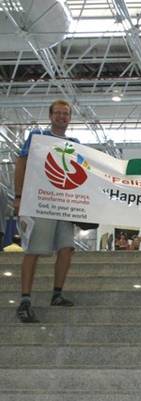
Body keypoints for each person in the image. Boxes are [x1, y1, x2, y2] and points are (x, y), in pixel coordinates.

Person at [14, 99, 78, 323]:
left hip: (65, 204)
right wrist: (18, 196)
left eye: (65, 113)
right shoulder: (37, 137)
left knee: (67, 248)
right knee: (33, 250)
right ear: (50, 116)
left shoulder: (74, 143)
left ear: (70, 118)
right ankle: (25, 300)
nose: (62, 117)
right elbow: (21, 163)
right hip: (40, 201)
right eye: (58, 113)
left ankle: (57, 294)